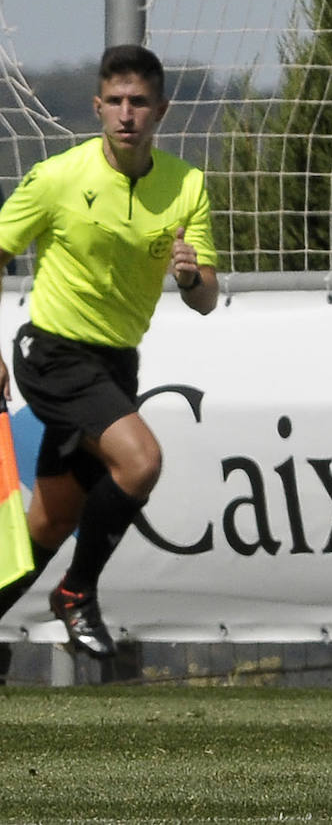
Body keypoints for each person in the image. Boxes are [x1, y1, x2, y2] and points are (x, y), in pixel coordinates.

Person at [0, 44, 219, 658]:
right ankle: (76, 593)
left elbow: (205, 297)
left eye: (139, 102)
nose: (127, 114)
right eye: (116, 102)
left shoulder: (188, 185)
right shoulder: (58, 178)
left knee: (49, 523)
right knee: (142, 460)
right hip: (51, 354)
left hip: (118, 364)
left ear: (161, 111)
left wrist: (188, 276)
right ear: (97, 106)